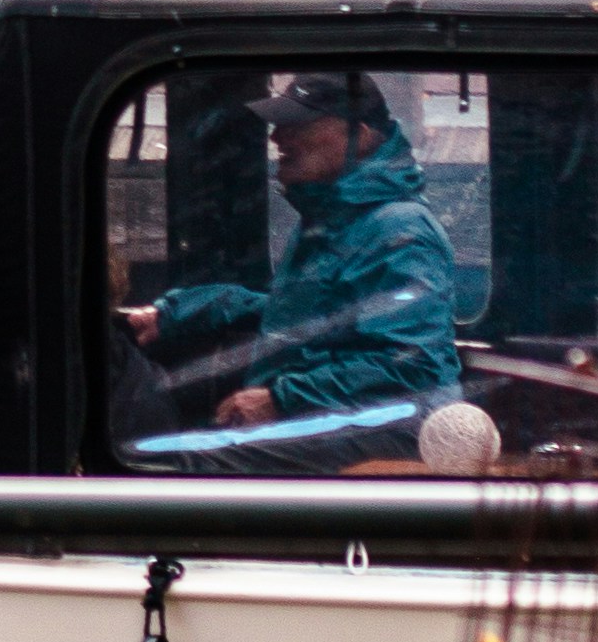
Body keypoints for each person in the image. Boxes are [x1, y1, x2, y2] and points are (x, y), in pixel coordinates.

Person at [121, 70, 461, 449]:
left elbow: (410, 368)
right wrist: (182, 312)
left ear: (360, 138)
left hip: (386, 434)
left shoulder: (400, 230)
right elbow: (304, 315)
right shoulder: (332, 220)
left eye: (299, 124)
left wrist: (282, 400)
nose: (277, 137)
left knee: (182, 470)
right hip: (328, 424)